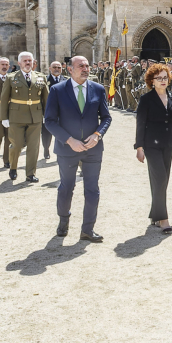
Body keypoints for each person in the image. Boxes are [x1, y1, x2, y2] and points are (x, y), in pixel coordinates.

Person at [44, 56, 111, 242]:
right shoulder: (57, 90)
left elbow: (106, 117)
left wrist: (98, 135)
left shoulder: (97, 89)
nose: (85, 68)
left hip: (92, 149)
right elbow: (49, 121)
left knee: (92, 189)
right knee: (67, 187)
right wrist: (68, 140)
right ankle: (63, 220)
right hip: (67, 149)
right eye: (80, 66)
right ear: (70, 69)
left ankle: (88, 230)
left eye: (87, 65)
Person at [133, 63, 172, 234]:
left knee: (161, 181)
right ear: (151, 81)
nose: (163, 81)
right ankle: (163, 218)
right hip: (151, 145)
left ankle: (155, 215)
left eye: (165, 77)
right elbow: (141, 124)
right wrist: (139, 147)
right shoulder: (146, 99)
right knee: (160, 179)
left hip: (169, 144)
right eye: (159, 78)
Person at [0, 51, 49, 182]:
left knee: (34, 146)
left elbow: (46, 99)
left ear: (33, 63)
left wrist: (46, 115)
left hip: (35, 116)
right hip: (16, 116)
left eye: (30, 61)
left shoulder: (40, 77)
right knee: (17, 144)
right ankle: (13, 167)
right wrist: (4, 117)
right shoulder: (11, 77)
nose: (28, 63)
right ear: (19, 63)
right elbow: (4, 99)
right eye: (25, 61)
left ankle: (30, 174)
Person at [45, 61, 66, 160]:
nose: (57, 69)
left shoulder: (66, 80)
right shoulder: (45, 80)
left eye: (59, 67)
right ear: (50, 68)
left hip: (62, 112)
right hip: (48, 110)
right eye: (54, 67)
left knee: (63, 131)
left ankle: (62, 152)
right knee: (46, 132)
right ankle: (46, 149)